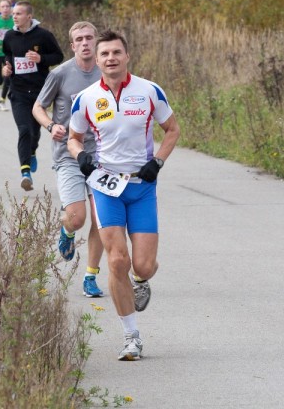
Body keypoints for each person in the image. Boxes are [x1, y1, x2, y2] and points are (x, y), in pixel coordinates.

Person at [67, 30, 180, 361]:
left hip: (141, 187)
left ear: (127, 56)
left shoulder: (148, 91)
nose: (110, 58)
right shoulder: (86, 97)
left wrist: (157, 162)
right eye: (105, 54)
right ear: (97, 60)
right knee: (117, 260)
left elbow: (172, 129)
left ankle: (140, 279)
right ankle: (132, 337)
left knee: (142, 265)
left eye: (116, 52)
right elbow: (74, 138)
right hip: (105, 187)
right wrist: (80, 156)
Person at [32, 21, 105, 298]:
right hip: (69, 155)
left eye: (89, 38)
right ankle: (68, 230)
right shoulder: (60, 74)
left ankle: (90, 276)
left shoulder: (107, 72)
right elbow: (38, 106)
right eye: (79, 39)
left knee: (102, 219)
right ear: (72, 45)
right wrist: (51, 126)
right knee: (77, 218)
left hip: (102, 156)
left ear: (96, 42)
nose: (85, 43)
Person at [1, 1, 64, 191]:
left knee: (35, 132)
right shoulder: (10, 36)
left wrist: (41, 59)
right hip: (18, 92)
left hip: (39, 93)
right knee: (24, 130)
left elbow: (58, 56)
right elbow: (7, 55)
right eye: (13, 14)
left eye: (18, 13)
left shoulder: (43, 36)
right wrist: (6, 67)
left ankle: (33, 151)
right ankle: (25, 172)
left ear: (29, 16)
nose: (14, 17)